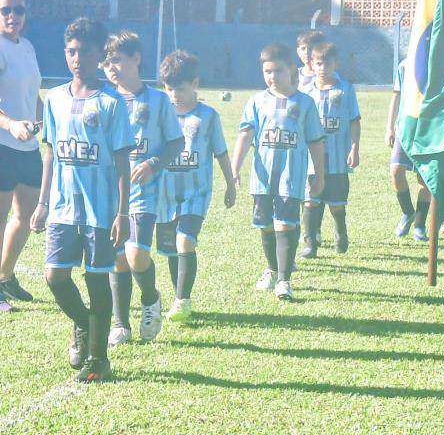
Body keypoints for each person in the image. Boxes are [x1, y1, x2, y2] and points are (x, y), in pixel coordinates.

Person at [29, 18, 131, 382]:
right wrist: (42, 203)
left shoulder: (112, 102)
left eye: (85, 51)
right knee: (55, 277)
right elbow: (51, 154)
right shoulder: (55, 98)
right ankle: (83, 324)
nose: (77, 58)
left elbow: (122, 161)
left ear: (100, 55)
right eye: (71, 51)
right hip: (61, 207)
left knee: (96, 280)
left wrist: (123, 212)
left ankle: (98, 361)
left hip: (101, 211)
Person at [101, 32, 180, 346]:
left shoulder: (158, 101)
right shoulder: (104, 100)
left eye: (118, 59)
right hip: (110, 192)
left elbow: (176, 142)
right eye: (107, 62)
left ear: (136, 59)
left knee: (136, 255)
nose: (111, 67)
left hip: (145, 192)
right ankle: (121, 324)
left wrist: (153, 164)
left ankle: (151, 298)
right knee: (117, 258)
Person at [229, 44, 325, 302]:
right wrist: (234, 168)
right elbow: (246, 135)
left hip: (290, 178)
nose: (272, 76)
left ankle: (284, 280)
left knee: (285, 225)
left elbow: (316, 142)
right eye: (267, 71)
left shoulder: (305, 103)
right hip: (262, 178)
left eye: (278, 70)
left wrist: (320, 176)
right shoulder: (257, 101)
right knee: (266, 226)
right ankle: (271, 269)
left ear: (292, 68)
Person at [0, 0, 43, 314]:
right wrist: (10, 124)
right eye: (6, 10)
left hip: (28, 146)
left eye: (19, 10)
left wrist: (48, 121)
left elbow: (34, 95)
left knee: (27, 214)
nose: (12, 16)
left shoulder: (26, 46)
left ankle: (5, 276)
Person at [153, 51, 230, 324]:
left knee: (185, 240)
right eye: (169, 88)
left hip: (196, 194)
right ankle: (179, 297)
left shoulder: (208, 116)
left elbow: (220, 151)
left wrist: (230, 183)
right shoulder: (160, 115)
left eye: (180, 88)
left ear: (195, 83)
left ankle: (182, 301)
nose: (174, 94)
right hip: (163, 195)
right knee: (172, 249)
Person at [302, 41, 361, 259]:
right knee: (310, 200)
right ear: (312, 64)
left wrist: (355, 147)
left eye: (327, 63)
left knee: (336, 205)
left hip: (337, 157)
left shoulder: (345, 89)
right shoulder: (306, 92)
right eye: (318, 63)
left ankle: (340, 231)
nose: (322, 68)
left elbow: (355, 120)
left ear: (336, 63)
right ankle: (310, 243)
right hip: (312, 158)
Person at [384, 88, 433, 242]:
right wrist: (389, 127)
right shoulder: (404, 65)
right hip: (404, 129)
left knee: (424, 179)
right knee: (396, 170)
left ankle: (419, 225)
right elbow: (396, 95)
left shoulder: (438, 65)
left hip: (429, 130)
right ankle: (407, 212)